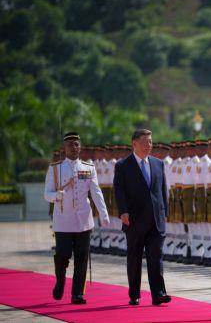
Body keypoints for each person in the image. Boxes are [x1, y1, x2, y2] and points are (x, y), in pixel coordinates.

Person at [44, 132, 110, 304]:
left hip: (83, 221)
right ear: (64, 148)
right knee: (62, 255)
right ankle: (60, 282)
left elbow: (96, 192)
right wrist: (55, 196)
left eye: (76, 144)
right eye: (70, 144)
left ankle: (77, 293)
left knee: (82, 258)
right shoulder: (55, 168)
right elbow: (46, 194)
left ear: (80, 147)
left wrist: (104, 214)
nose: (74, 147)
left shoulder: (88, 168)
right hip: (63, 221)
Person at [113, 129, 171, 306]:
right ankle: (134, 294)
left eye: (151, 142)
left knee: (156, 257)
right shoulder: (123, 165)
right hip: (134, 220)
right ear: (134, 144)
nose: (149, 145)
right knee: (135, 258)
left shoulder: (158, 163)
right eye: (145, 142)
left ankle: (158, 293)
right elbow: (119, 191)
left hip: (155, 220)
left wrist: (165, 213)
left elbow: (162, 191)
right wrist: (123, 211)